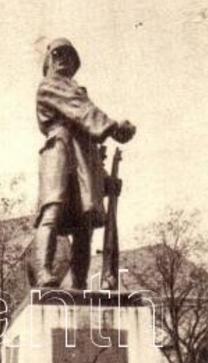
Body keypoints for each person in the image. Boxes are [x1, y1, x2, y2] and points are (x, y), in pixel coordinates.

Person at [29, 38, 136, 290]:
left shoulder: (77, 95)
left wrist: (105, 181)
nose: (63, 59)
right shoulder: (50, 87)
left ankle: (79, 284)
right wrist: (113, 127)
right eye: (57, 54)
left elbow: (88, 142)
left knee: (84, 224)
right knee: (52, 210)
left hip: (84, 159)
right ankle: (44, 272)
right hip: (59, 150)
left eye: (69, 55)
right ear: (49, 61)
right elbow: (80, 108)